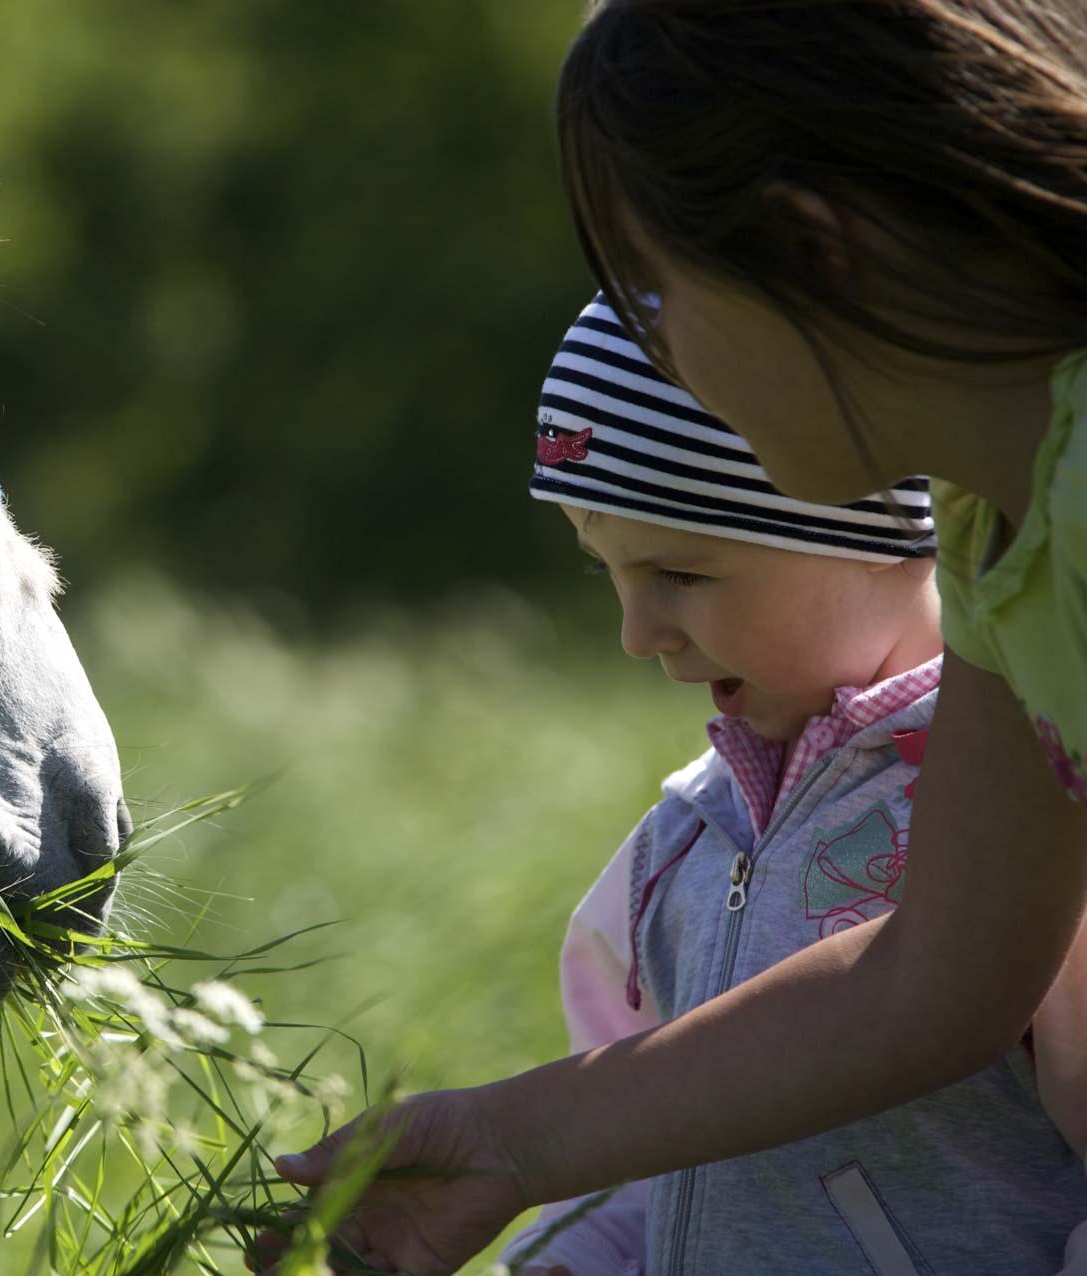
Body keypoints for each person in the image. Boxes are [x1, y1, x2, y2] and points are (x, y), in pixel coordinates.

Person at [262, 6, 1087, 1272]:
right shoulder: (1002, 526)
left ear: (809, 257)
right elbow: (937, 976)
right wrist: (511, 1139)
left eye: (659, 295)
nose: (651, 348)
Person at [495, 298, 1086, 1274]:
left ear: (877, 526)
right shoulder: (676, 844)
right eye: (607, 570)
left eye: (681, 573)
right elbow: (635, 1162)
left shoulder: (1031, 813)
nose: (638, 632)